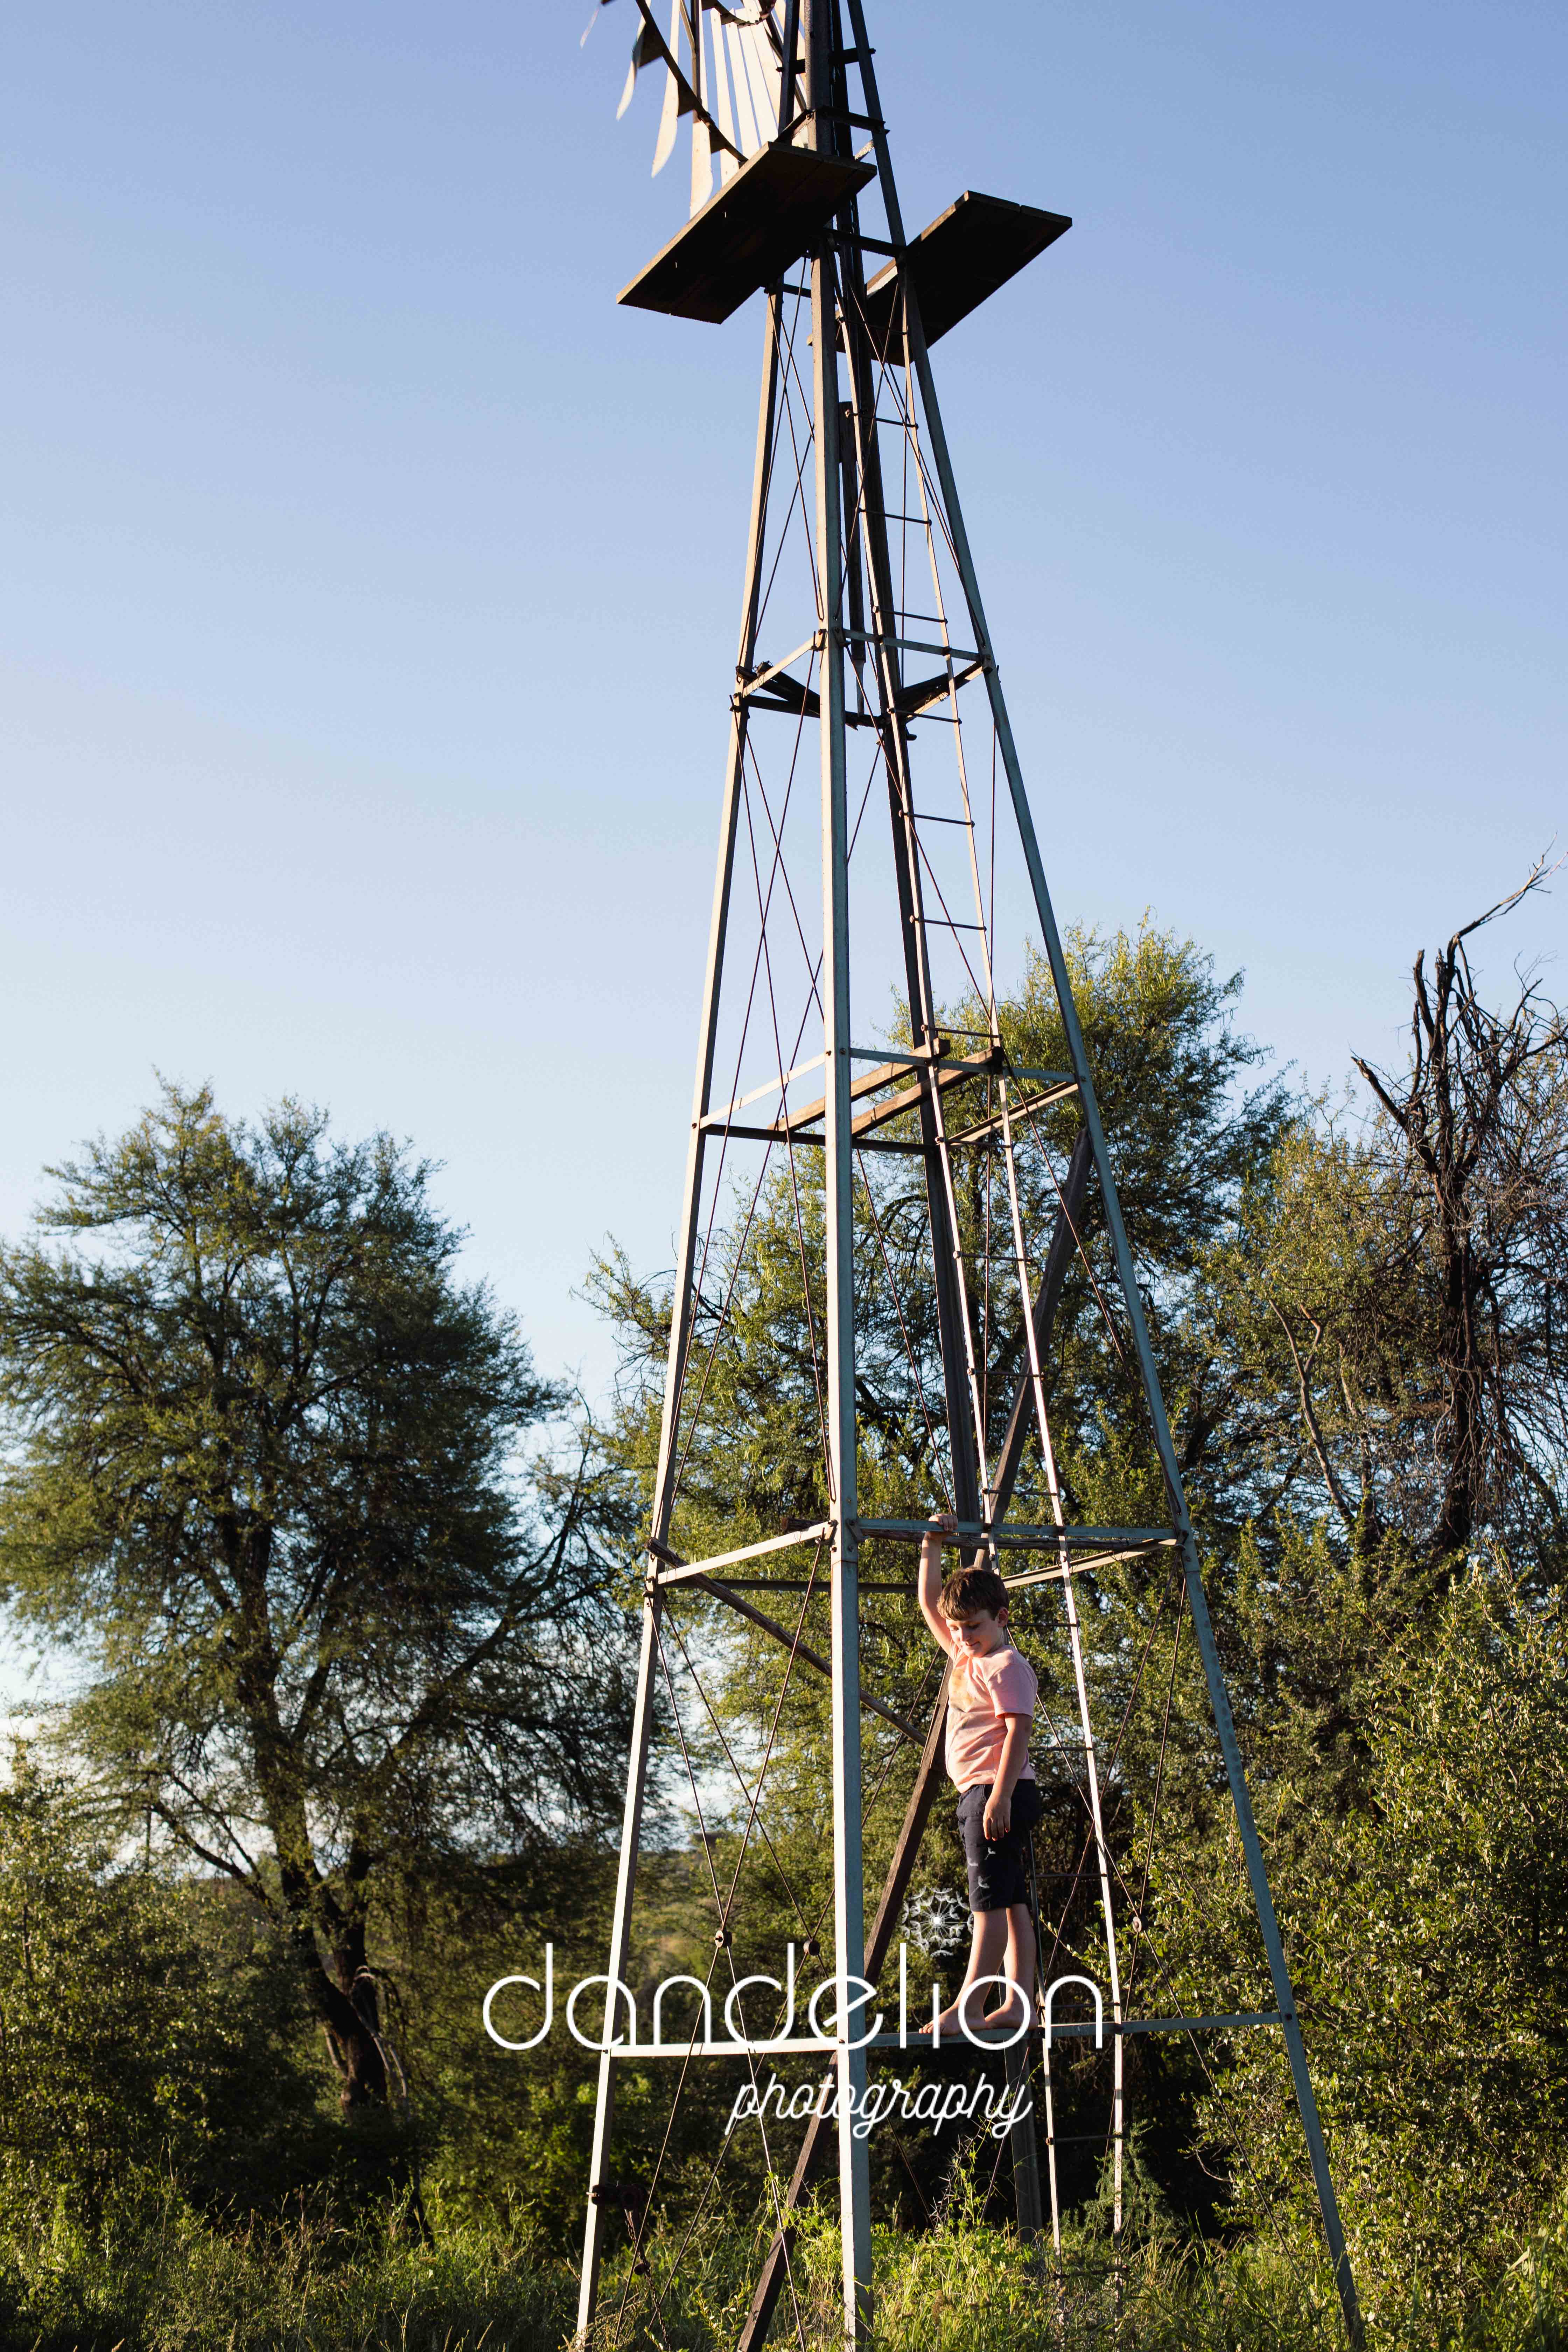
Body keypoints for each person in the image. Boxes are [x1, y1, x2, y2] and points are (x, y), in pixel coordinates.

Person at [916, 1512, 1041, 2038]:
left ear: (1001, 1618)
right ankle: (1017, 2004)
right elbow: (930, 1604)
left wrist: (999, 1798)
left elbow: (1019, 1732)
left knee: (987, 1907)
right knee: (1011, 1905)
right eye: (958, 1628)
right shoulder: (966, 1657)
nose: (963, 1636)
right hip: (989, 1792)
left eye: (974, 1626)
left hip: (996, 1792)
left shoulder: (1005, 1665)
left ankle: (970, 2007)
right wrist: (932, 1545)